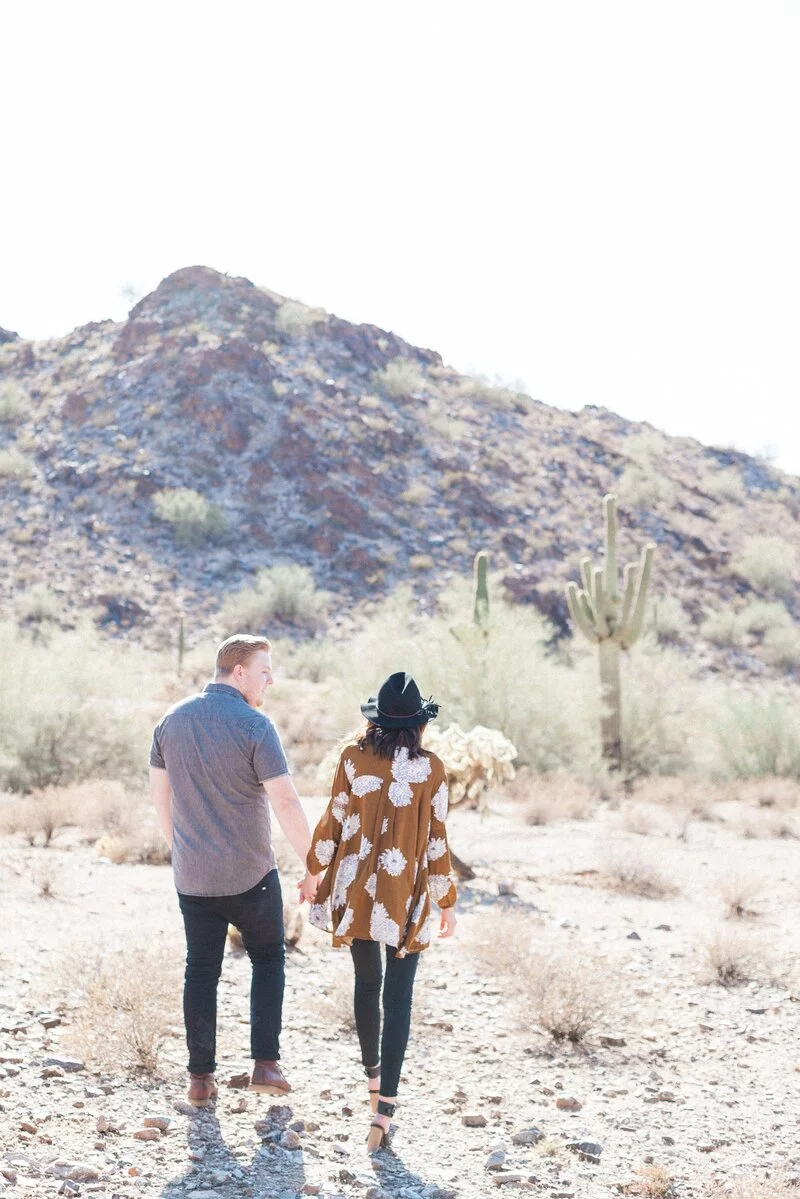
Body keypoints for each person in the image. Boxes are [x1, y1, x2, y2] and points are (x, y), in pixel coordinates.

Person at [150, 634, 319, 1108]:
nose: (272, 679)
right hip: (251, 874)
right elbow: (285, 800)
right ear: (239, 672)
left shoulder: (170, 722)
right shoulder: (255, 726)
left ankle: (200, 1080)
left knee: (200, 971)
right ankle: (265, 1064)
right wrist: (313, 865)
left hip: (193, 876)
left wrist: (182, 850)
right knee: (268, 958)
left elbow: (160, 799)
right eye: (265, 670)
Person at [305, 671, 458, 1152]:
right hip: (405, 893)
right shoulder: (432, 769)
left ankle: (372, 1080)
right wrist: (446, 900)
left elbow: (334, 820)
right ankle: (385, 1112)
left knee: (366, 985)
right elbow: (436, 842)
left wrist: (313, 871)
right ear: (418, 725)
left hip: (357, 888)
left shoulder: (351, 758)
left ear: (376, 721)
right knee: (400, 1000)